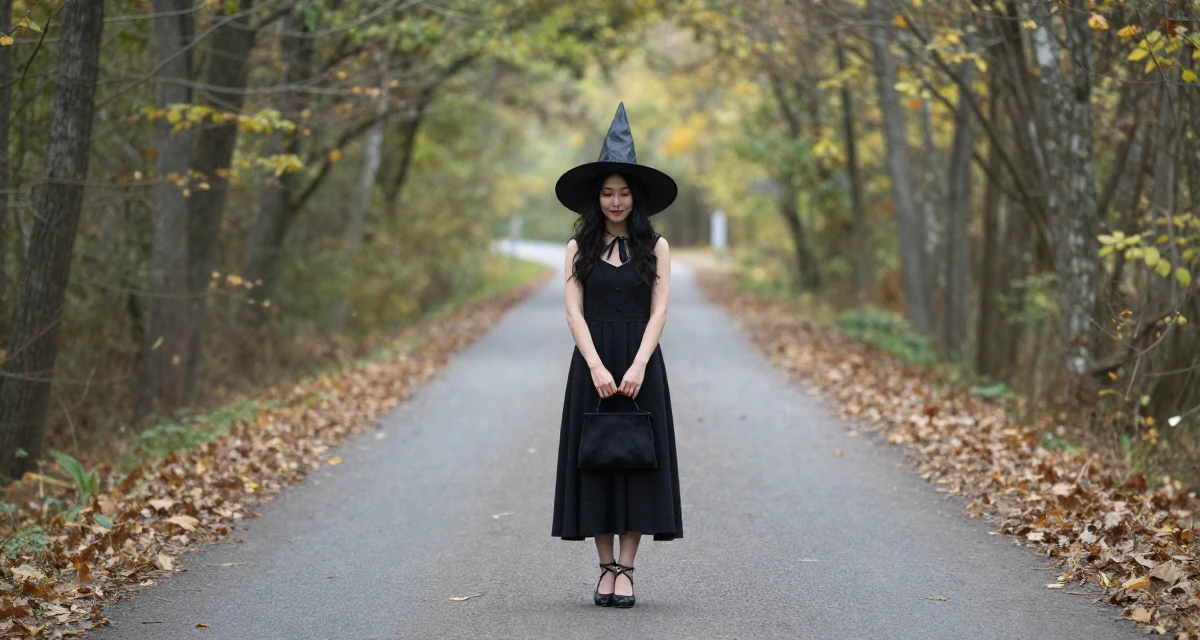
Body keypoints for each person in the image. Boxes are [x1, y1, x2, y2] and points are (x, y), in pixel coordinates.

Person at [550, 103, 684, 609]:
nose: (615, 201)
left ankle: (627, 569)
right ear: (596, 198)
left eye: (624, 192)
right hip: (592, 365)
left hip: (641, 364)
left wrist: (638, 364)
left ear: (636, 197)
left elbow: (661, 311)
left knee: (636, 464)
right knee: (597, 462)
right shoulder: (576, 248)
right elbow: (572, 312)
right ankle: (604, 567)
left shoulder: (658, 247)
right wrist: (597, 366)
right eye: (607, 193)